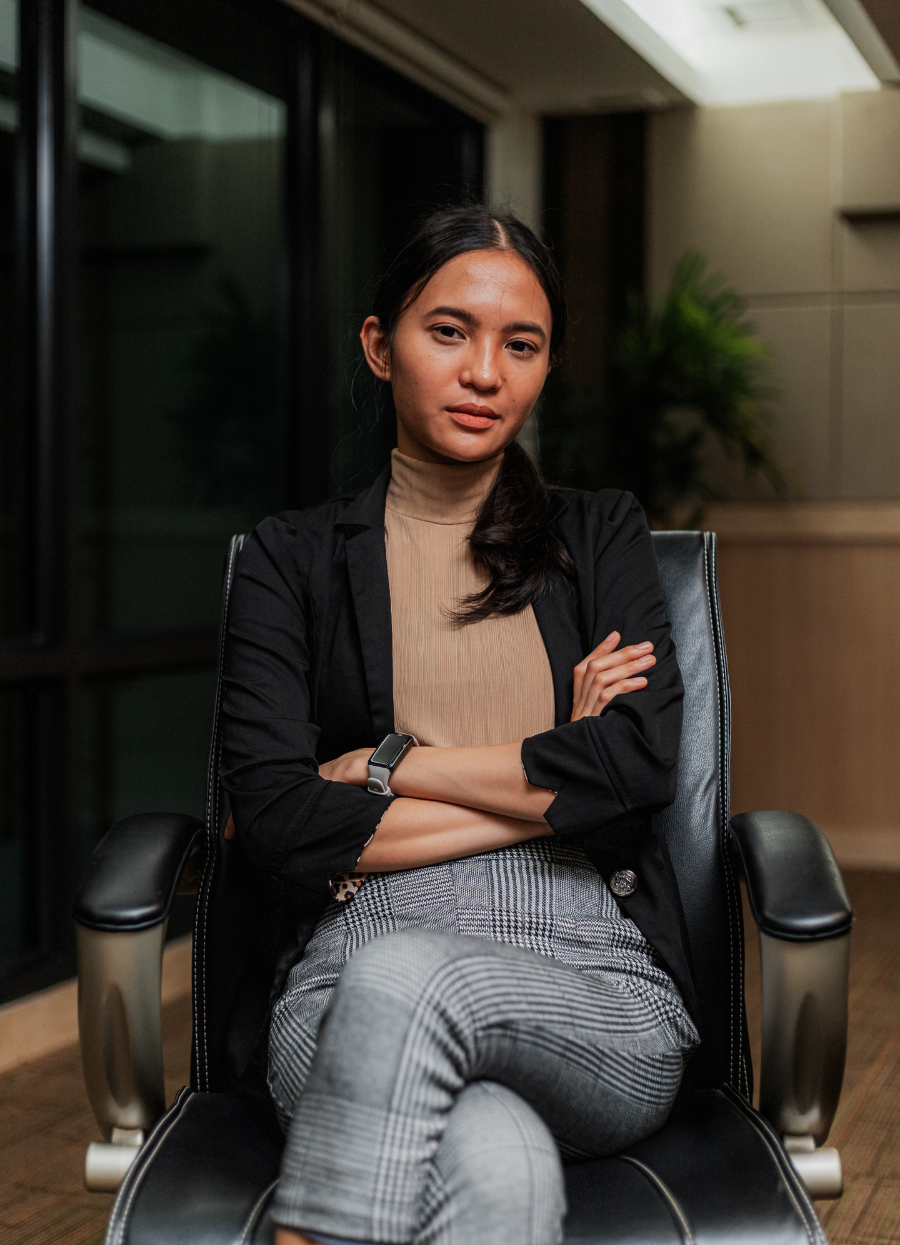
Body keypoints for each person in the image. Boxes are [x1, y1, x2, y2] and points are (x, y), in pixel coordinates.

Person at [221, 205, 700, 1245]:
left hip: (592, 992)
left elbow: (640, 762)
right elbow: (274, 817)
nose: (485, 371)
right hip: (347, 984)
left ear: (543, 367)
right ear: (379, 344)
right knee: (498, 1164)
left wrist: (396, 765)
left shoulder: (599, 533)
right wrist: (559, 792)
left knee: (415, 974)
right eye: (449, 331)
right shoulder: (288, 560)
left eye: (519, 345)